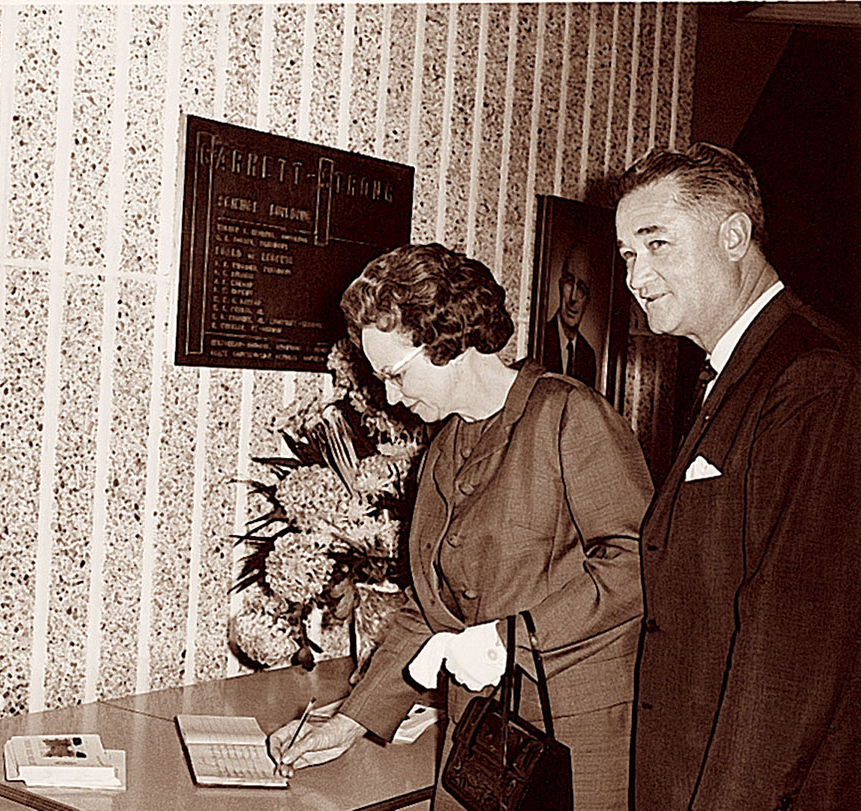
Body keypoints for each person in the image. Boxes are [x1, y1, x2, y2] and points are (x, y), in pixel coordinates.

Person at [268, 243, 652, 810]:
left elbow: (639, 562)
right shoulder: (444, 447)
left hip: (572, 740)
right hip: (474, 737)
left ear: (449, 342)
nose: (392, 397)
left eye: (397, 374)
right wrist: (349, 721)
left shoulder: (569, 415)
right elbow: (430, 608)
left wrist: (506, 638)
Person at [615, 143, 861, 809]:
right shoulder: (734, 368)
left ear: (733, 235)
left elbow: (794, 638)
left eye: (657, 243)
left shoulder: (814, 375)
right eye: (628, 255)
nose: (637, 275)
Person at [541, 242, 597, 387]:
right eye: (570, 283)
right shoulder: (539, 339)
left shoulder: (588, 356)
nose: (573, 297)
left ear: (588, 299)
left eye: (582, 289)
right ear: (560, 285)